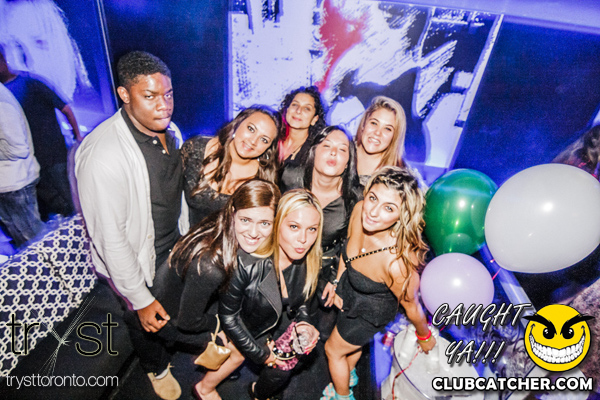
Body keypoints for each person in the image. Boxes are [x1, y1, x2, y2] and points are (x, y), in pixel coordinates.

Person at [75, 51, 189, 400]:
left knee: (168, 309)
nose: (164, 105)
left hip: (172, 244)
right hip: (137, 257)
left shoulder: (170, 130)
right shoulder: (102, 156)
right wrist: (139, 298)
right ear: (125, 94)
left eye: (168, 94)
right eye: (150, 96)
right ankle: (156, 367)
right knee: (143, 320)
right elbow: (110, 239)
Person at [323, 167, 435, 400]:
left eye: (389, 208)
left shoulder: (397, 263)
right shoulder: (359, 211)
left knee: (333, 350)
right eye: (373, 198)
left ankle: (342, 396)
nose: (372, 212)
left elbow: (412, 307)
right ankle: (348, 375)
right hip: (350, 293)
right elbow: (347, 251)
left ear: (402, 216)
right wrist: (337, 281)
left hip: (370, 314)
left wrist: (425, 337)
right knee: (349, 346)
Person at [165, 179, 281, 400]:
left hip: (202, 300)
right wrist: (220, 327)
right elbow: (187, 321)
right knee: (239, 350)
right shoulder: (211, 265)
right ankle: (204, 390)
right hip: (172, 317)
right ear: (233, 213)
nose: (254, 232)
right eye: (246, 220)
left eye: (265, 223)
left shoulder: (225, 225)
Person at [214, 189, 322, 400]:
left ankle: (258, 393)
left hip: (278, 324)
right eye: (294, 227)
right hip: (247, 328)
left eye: (312, 229)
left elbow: (302, 300)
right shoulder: (247, 262)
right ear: (277, 223)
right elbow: (229, 317)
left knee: (280, 373)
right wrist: (261, 354)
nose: (303, 239)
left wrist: (305, 323)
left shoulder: (308, 260)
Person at [0, 46, 81, 220]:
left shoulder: (30, 84)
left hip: (54, 157)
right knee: (50, 211)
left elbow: (65, 109)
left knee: (72, 202)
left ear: (3, 60)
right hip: (29, 167)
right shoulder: (3, 95)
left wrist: (78, 136)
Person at [299, 125, 360, 340]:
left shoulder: (355, 198)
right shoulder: (289, 177)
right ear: (314, 151)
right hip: (287, 263)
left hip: (326, 270)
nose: (334, 153)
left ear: (348, 162)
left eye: (342, 149)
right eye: (327, 146)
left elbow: (352, 244)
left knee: (317, 334)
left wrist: (336, 280)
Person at [182, 106, 280, 226]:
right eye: (251, 129)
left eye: (264, 140)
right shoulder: (196, 149)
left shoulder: (263, 179)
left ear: (269, 148)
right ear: (237, 123)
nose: (253, 141)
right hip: (189, 236)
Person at [0, 82, 44, 248]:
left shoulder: (2, 102)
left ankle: (56, 265)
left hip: (16, 184)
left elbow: (19, 149)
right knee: (26, 244)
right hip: (8, 184)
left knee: (34, 244)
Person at [278, 86, 327, 192]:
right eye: (295, 105)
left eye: (307, 108)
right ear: (287, 110)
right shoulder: (270, 140)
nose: (298, 111)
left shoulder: (316, 152)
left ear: (314, 119)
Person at [354, 96, 407, 187]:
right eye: (374, 123)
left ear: (394, 137)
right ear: (363, 124)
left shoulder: (399, 177)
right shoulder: (342, 150)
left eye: (387, 129)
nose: (377, 132)